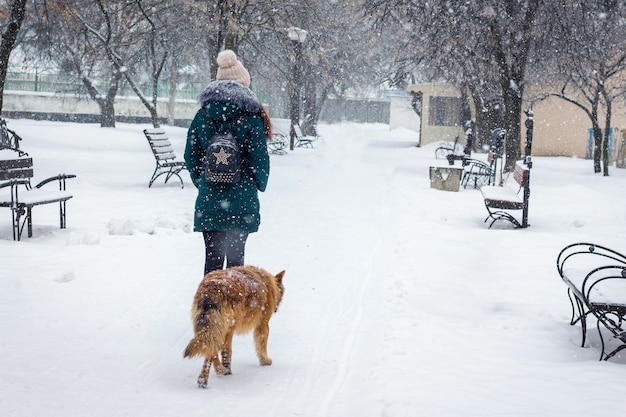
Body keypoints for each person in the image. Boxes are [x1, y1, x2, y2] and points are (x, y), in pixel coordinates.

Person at [184, 49, 271, 276]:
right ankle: (233, 308)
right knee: (235, 261)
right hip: (241, 201)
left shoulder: (202, 115)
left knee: (212, 262)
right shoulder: (251, 117)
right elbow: (260, 160)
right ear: (244, 84)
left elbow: (190, 155)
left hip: (210, 200)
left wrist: (203, 180)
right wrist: (254, 184)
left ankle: (208, 308)